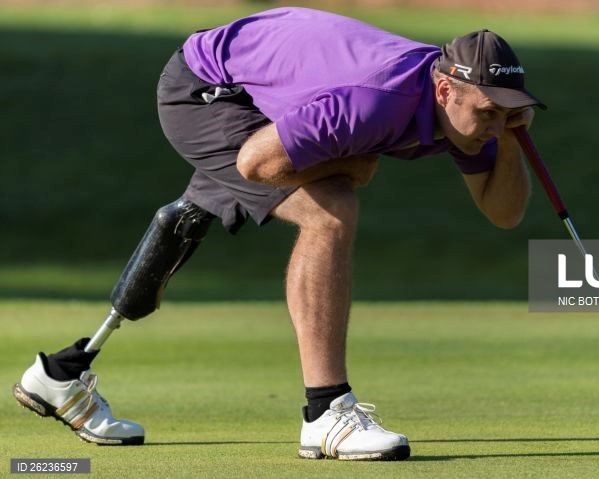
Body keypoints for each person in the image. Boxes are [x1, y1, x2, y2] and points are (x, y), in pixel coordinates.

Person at [13, 7, 545, 460]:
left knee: (194, 216)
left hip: (271, 84)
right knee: (331, 211)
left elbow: (503, 212)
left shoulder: (465, 114)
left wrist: (514, 141)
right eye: (490, 113)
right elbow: (255, 163)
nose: (497, 126)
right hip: (208, 90)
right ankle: (326, 412)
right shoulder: (374, 101)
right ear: (446, 87)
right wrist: (355, 165)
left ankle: (61, 373)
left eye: (509, 113)